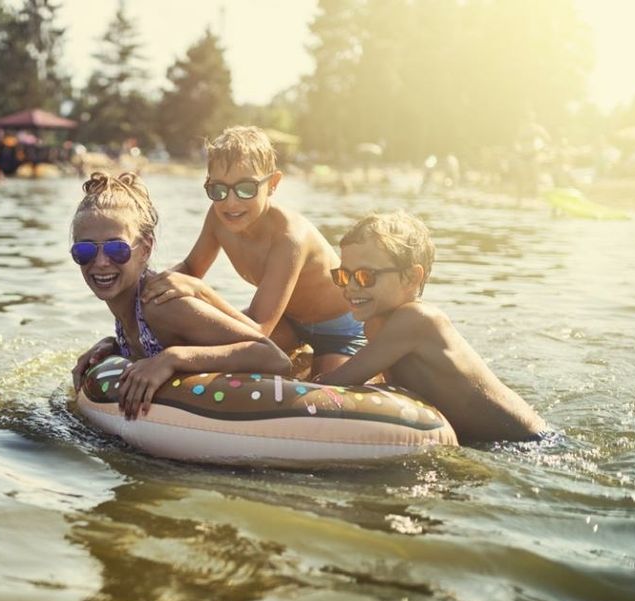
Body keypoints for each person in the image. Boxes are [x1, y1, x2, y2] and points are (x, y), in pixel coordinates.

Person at [139, 126, 366, 378]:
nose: (230, 202)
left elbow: (259, 329)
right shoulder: (217, 218)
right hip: (289, 322)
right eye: (218, 190)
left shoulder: (290, 238)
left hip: (339, 328)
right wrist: (149, 285)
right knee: (198, 341)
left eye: (246, 188)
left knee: (326, 391)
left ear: (273, 184)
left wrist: (200, 290)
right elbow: (192, 269)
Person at [69, 172, 291, 419]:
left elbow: (274, 357)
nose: (100, 262)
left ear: (145, 249)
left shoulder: (160, 305)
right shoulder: (125, 305)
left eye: (116, 249)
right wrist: (115, 345)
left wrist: (174, 358)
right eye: (85, 250)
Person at [314, 211, 547, 443]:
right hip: (482, 442)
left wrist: (287, 383)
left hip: (526, 441)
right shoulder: (375, 326)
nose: (351, 287)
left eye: (366, 276)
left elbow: (340, 380)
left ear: (411, 278)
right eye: (344, 275)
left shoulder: (415, 319)